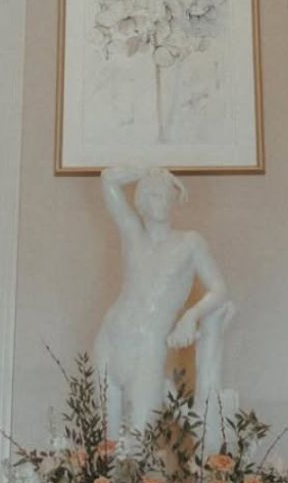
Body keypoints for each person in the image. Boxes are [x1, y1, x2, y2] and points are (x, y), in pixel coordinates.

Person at [94, 166, 230, 441]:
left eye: (167, 195)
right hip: (111, 336)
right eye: (155, 195)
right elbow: (108, 178)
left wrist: (191, 316)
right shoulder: (132, 234)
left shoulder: (190, 243)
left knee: (139, 441)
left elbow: (220, 290)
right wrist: (152, 164)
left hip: (148, 345)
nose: (163, 201)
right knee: (104, 441)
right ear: (141, 202)